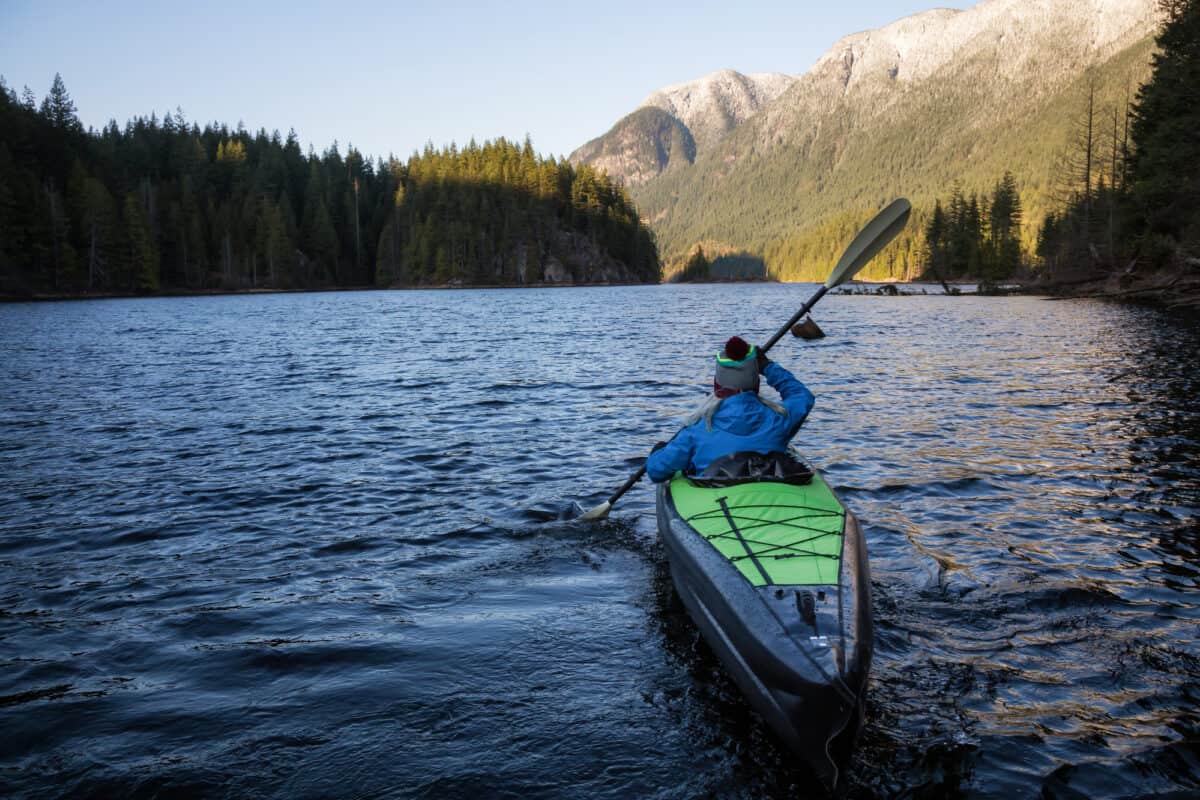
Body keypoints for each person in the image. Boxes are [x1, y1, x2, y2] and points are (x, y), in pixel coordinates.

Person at [645, 336, 814, 482]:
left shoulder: (697, 431)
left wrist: (658, 452)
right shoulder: (780, 420)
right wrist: (767, 366)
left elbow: (656, 471)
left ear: (716, 385)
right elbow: (802, 396)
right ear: (756, 384)